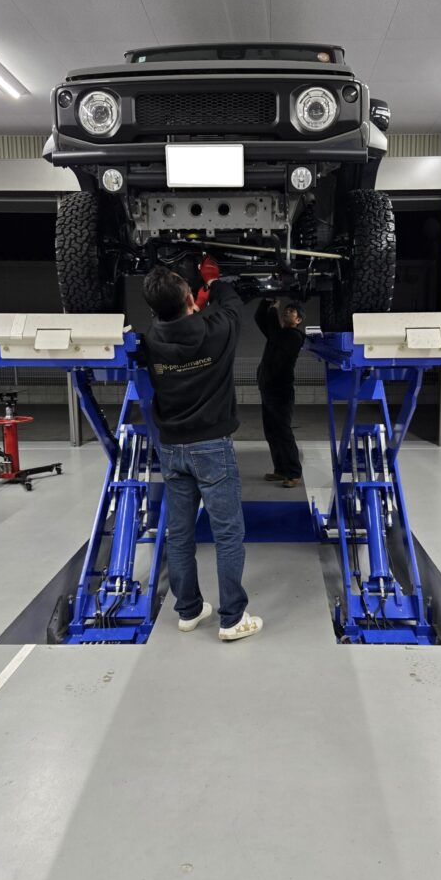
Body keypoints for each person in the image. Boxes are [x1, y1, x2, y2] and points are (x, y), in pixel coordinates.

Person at [142, 263, 263, 642]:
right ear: (191, 300)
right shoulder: (216, 331)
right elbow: (232, 303)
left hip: (171, 448)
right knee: (228, 534)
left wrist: (194, 299)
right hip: (211, 447)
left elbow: (185, 318)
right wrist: (212, 279)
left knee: (179, 534)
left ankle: (189, 611)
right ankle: (232, 619)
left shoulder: (151, 340)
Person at [255, 298, 306, 488]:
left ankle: (294, 472)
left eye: (292, 311)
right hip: (268, 389)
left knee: (283, 432)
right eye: (286, 309)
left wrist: (273, 311)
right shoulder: (278, 334)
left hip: (281, 391)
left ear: (298, 320)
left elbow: (275, 333)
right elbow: (260, 320)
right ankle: (281, 470)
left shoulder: (295, 336)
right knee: (272, 432)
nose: (287, 312)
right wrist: (265, 304)